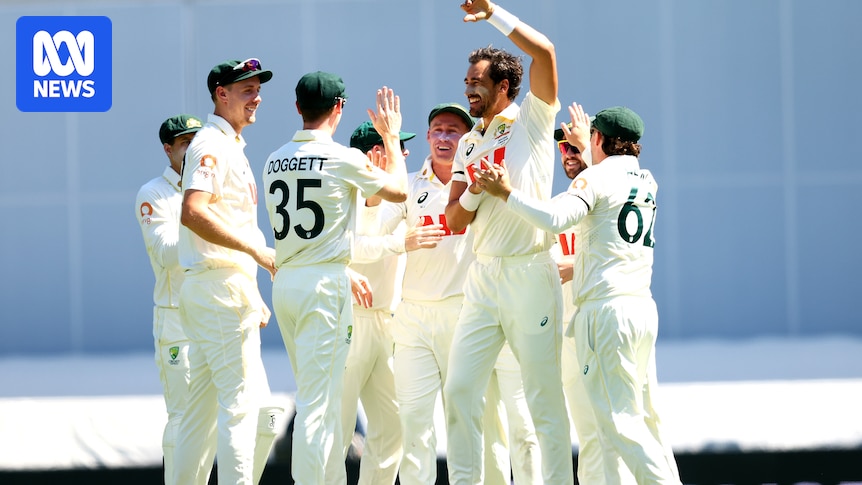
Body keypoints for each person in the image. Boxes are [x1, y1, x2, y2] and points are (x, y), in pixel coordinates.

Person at [476, 104, 682, 484]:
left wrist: (506, 193)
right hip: (640, 309)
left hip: (605, 314)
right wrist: (586, 149)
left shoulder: (595, 179)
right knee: (639, 420)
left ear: (597, 138)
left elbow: (556, 218)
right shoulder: (646, 179)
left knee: (619, 424)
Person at [362, 102, 541, 485]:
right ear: (428, 137)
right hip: (413, 318)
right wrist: (378, 202)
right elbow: (373, 233)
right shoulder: (409, 184)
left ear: (466, 140)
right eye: (438, 130)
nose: (444, 138)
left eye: (453, 131)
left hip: (466, 314)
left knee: (475, 421)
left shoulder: (482, 185)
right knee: (414, 422)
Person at [442, 1, 573, 484]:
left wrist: (493, 12)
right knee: (459, 390)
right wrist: (476, 190)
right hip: (483, 278)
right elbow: (454, 220)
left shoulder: (532, 118)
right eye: (466, 81)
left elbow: (546, 53)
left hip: (529, 271)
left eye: (477, 82)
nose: (468, 89)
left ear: (503, 87)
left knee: (542, 399)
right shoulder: (468, 142)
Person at [261, 71, 408, 485]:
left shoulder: (273, 158)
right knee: (318, 406)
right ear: (339, 108)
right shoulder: (343, 157)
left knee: (314, 396)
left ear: (297, 107)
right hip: (323, 284)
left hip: (286, 281)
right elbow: (398, 190)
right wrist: (391, 137)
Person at [174, 58, 284, 485]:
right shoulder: (211, 143)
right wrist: (257, 252)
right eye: (246, 90)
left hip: (219, 288)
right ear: (221, 94)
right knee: (244, 409)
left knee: (200, 413)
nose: (256, 98)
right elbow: (193, 212)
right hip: (219, 289)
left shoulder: (229, 144)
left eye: (258, 89)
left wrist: (249, 287)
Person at [332, 119, 416, 485]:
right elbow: (355, 249)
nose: (405, 154)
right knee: (337, 428)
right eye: (397, 147)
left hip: (387, 321)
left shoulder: (400, 195)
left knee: (393, 425)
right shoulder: (342, 195)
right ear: (375, 154)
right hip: (349, 320)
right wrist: (400, 241)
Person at [135, 113, 202, 484]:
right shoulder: (153, 193)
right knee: (182, 415)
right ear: (168, 149)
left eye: (197, 141)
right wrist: (204, 226)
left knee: (245, 413)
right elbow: (164, 253)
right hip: (175, 317)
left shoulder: (212, 186)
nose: (193, 149)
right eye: (185, 143)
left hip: (214, 311)